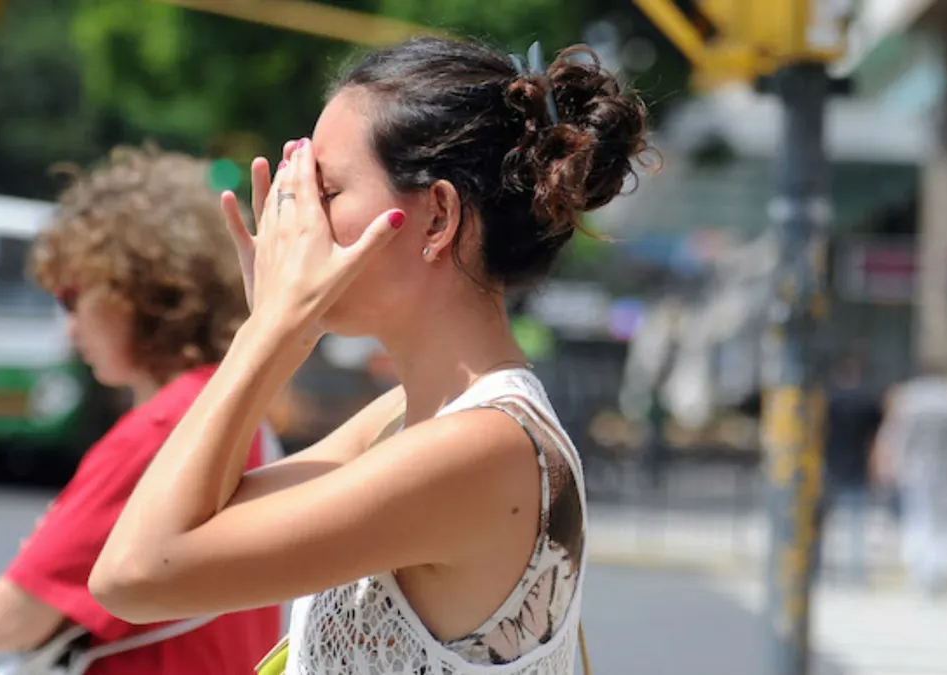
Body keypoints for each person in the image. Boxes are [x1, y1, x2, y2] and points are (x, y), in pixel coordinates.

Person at [88, 38, 649, 674]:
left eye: (325, 192)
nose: (296, 220)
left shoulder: (482, 448)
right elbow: (194, 522)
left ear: (437, 217)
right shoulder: (404, 420)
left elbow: (134, 576)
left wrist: (272, 330)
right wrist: (277, 328)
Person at [0, 146, 282, 674]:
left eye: (73, 298)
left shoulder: (163, 430)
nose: (69, 328)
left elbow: (1, 623)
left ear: (137, 289)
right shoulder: (234, 406)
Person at [872, 363, 947, 596]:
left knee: (919, 518)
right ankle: (939, 569)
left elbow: (893, 437)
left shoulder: (909, 398)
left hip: (916, 470)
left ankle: (922, 571)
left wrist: (888, 466)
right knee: (945, 523)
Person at [817, 353, 882, 585]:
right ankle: (856, 574)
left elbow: (817, 434)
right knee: (856, 525)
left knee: (820, 524)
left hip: (829, 465)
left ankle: (816, 569)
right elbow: (875, 438)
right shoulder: (867, 401)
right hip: (857, 467)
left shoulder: (828, 400)